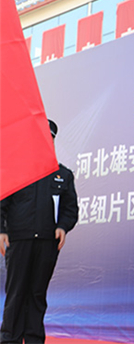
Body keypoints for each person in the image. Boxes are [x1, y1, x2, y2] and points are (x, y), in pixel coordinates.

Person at [0, 120, 79, 344]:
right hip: (19, 240)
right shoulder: (16, 171)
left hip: (47, 243)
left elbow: (70, 209)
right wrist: (1, 230)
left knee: (37, 293)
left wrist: (63, 227)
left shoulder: (63, 175)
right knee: (16, 292)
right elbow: (2, 203)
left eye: (48, 139)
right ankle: (10, 338)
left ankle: (34, 338)